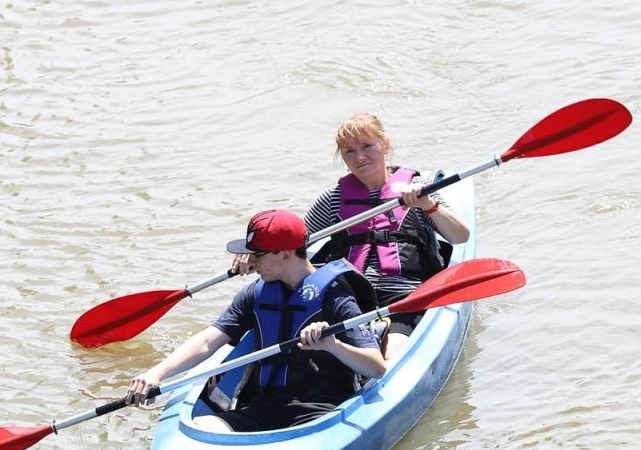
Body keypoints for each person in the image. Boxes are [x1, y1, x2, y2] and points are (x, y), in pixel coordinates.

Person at [127, 209, 387, 432]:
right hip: (262, 407)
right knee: (206, 428)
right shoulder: (257, 292)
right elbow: (209, 340)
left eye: (257, 255)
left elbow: (376, 368)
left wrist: (332, 345)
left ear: (284, 255)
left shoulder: (336, 296)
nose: (249, 262)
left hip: (321, 412)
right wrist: (156, 373)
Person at [303, 112, 471, 360]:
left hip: (406, 298)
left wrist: (427, 205)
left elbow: (460, 236)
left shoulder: (415, 188)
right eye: (349, 151)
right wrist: (253, 254)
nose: (359, 156)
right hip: (350, 298)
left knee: (392, 357)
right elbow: (293, 240)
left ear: (385, 145)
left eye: (367, 146)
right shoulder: (333, 198)